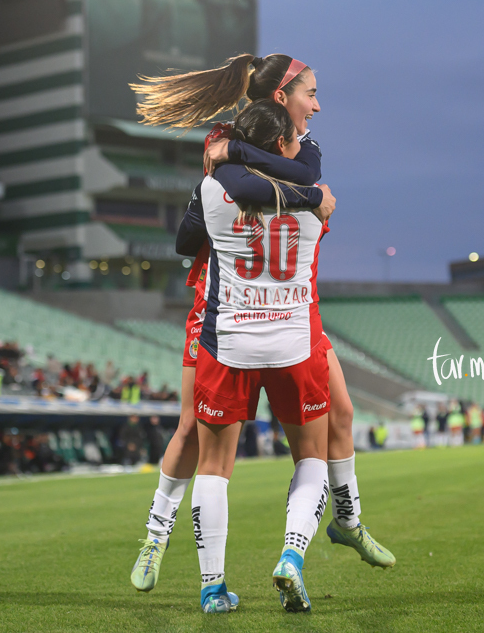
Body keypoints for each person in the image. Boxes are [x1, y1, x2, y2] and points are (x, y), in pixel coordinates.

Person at [129, 54, 393, 595]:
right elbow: (301, 183)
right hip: (231, 305)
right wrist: (308, 199)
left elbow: (288, 177)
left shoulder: (257, 150)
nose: (317, 106)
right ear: (282, 98)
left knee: (341, 411)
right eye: (311, 94)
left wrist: (237, 162)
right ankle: (157, 536)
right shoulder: (286, 162)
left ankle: (347, 522)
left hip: (260, 314)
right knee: (192, 432)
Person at [173, 101, 337, 613]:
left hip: (230, 344)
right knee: (313, 459)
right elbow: (307, 176)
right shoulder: (317, 201)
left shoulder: (212, 189)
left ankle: (212, 588)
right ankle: (291, 556)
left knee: (215, 469)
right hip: (293, 343)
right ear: (283, 149)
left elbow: (185, 242)